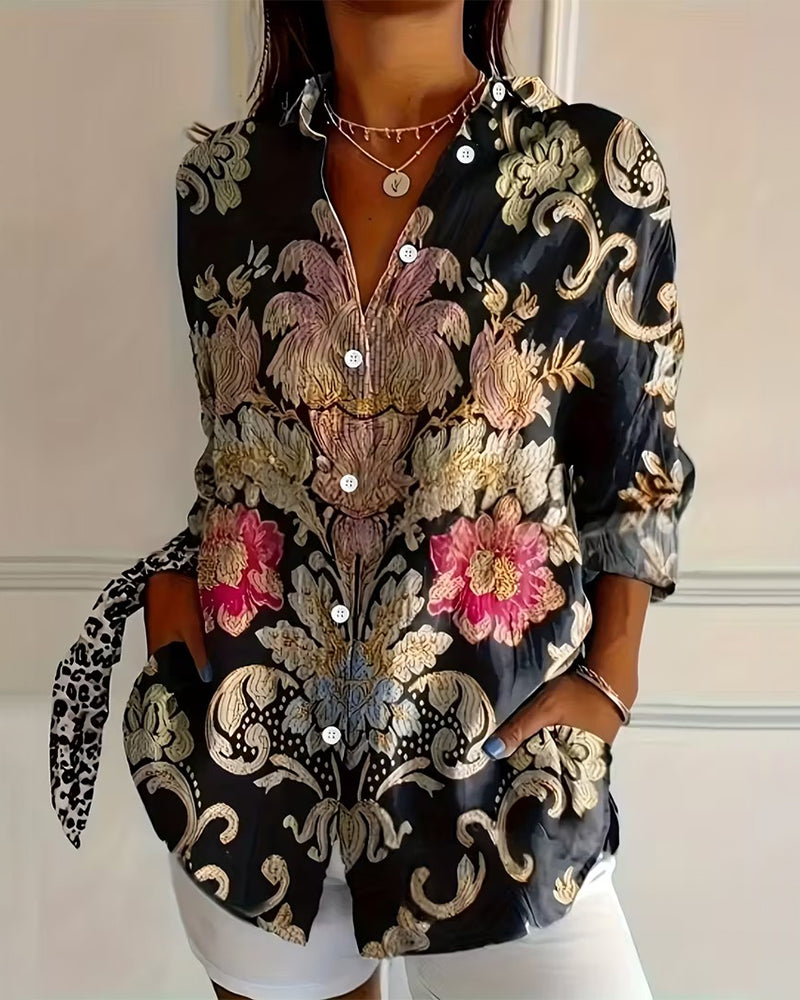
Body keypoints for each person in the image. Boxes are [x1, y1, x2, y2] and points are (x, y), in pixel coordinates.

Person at [48, 1, 696, 998]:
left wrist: (612, 679)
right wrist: (173, 623)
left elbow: (635, 465)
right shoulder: (221, 187)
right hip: (250, 785)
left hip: (502, 793)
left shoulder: (594, 173)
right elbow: (242, 451)